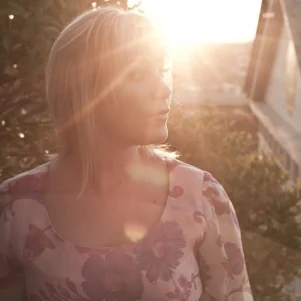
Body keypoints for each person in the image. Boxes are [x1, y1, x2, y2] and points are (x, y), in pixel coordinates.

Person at [0, 6, 253, 301]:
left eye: (161, 71)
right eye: (137, 74)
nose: (163, 89)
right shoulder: (14, 208)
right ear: (86, 90)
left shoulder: (203, 198)